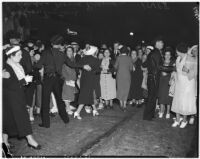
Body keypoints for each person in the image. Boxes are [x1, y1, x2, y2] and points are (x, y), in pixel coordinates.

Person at [35, 35, 91, 128]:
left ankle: (46, 123)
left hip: (48, 79)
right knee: (60, 100)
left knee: (45, 101)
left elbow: (38, 65)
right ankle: (66, 119)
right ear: (59, 44)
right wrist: (83, 66)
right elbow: (71, 64)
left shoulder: (46, 53)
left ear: (52, 44)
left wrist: (37, 63)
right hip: (57, 79)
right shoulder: (62, 54)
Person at [3, 45, 41, 150]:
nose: (21, 57)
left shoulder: (17, 65)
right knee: (23, 118)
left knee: (7, 120)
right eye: (19, 55)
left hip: (16, 96)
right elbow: (8, 84)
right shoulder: (6, 68)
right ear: (11, 56)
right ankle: (30, 140)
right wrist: (24, 80)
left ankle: (4, 142)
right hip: (11, 98)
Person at [171, 43, 197, 128]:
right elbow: (176, 70)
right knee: (177, 100)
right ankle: (178, 120)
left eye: (176, 50)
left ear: (179, 50)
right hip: (179, 82)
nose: (176, 52)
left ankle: (185, 120)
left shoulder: (190, 58)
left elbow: (195, 72)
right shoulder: (178, 58)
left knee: (185, 102)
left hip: (188, 83)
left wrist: (188, 70)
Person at [74, 45, 101, 120]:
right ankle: (77, 112)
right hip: (91, 79)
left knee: (89, 95)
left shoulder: (83, 58)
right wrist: (94, 71)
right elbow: (98, 70)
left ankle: (94, 110)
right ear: (94, 52)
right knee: (85, 95)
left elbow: (77, 65)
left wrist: (83, 67)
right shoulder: (95, 60)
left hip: (83, 79)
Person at [143, 37, 164, 121]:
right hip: (154, 78)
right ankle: (147, 116)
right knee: (152, 97)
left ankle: (150, 115)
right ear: (157, 44)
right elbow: (159, 67)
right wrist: (171, 68)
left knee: (152, 97)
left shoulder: (154, 52)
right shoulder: (156, 53)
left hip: (152, 77)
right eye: (161, 43)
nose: (162, 44)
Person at [157, 47, 175, 119]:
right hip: (161, 81)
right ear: (164, 55)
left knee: (168, 98)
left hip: (169, 81)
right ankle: (161, 111)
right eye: (166, 54)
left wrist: (172, 79)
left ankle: (168, 112)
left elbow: (174, 72)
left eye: (169, 55)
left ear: (170, 56)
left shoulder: (173, 63)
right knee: (161, 96)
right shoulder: (161, 62)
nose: (167, 56)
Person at [114, 46, 133, 111]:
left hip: (119, 76)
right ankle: (124, 105)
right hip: (127, 76)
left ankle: (121, 104)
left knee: (120, 89)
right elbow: (131, 68)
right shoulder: (129, 58)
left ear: (121, 51)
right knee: (126, 90)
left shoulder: (118, 58)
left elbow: (115, 67)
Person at [62, 46, 77, 115]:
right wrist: (67, 78)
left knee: (70, 93)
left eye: (71, 51)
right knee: (66, 94)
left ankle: (67, 106)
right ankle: (67, 108)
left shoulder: (73, 59)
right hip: (66, 79)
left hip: (72, 78)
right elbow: (62, 70)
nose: (69, 52)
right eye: (68, 50)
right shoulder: (64, 59)